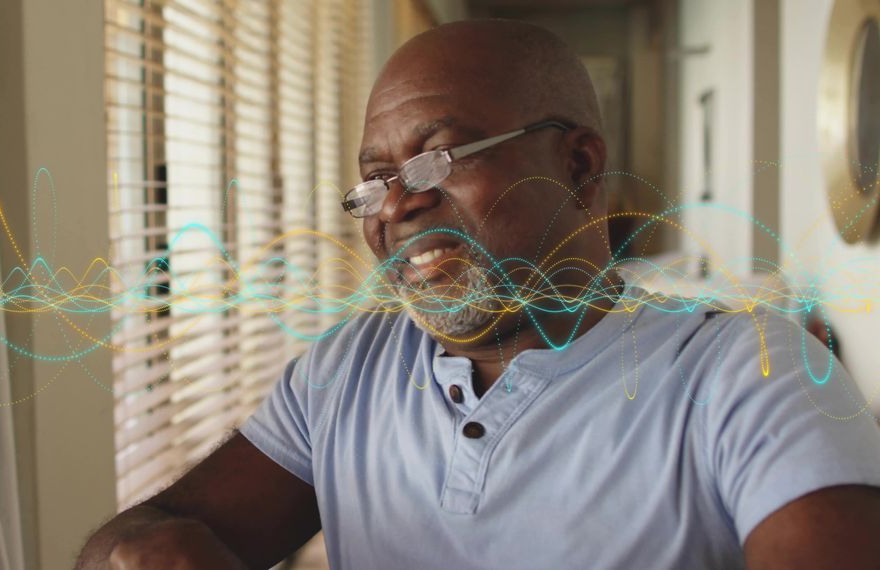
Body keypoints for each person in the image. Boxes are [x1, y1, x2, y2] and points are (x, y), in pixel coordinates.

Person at [78, 20, 880, 569]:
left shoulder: (753, 375)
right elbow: (134, 535)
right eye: (374, 181)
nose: (395, 205)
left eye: (438, 159)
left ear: (580, 165)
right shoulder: (345, 372)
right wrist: (141, 552)